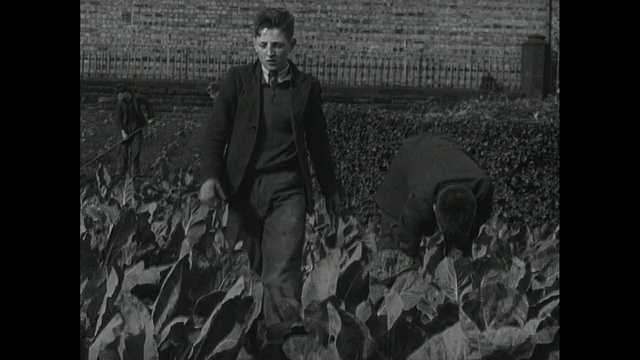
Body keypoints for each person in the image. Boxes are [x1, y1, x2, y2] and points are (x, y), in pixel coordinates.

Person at [198, 7, 342, 350]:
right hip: (243, 190)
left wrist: (331, 190)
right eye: (263, 44)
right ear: (254, 43)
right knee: (245, 267)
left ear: (291, 45)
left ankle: (279, 345)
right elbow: (215, 133)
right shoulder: (237, 82)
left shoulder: (306, 88)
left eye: (277, 45)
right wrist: (209, 177)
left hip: (287, 191)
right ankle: (240, 340)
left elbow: (319, 145)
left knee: (282, 272)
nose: (270, 52)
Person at [374, 133, 493, 259]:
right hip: (412, 155)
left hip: (445, 145)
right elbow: (404, 246)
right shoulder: (419, 201)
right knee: (392, 250)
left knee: (460, 250)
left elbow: (473, 231)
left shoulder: (482, 187)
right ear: (434, 207)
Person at [114, 83, 155, 177]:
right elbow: (118, 119)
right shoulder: (120, 103)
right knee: (123, 153)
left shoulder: (136, 99)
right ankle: (120, 173)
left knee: (135, 151)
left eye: (120, 95)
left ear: (125, 93)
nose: (119, 98)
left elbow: (148, 104)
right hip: (124, 129)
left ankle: (135, 173)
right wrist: (123, 132)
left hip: (136, 128)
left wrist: (150, 118)